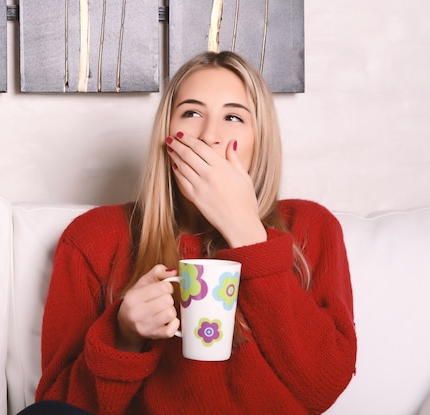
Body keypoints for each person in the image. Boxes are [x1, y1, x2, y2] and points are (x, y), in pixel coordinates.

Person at [30, 51, 357, 414]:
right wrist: (122, 336)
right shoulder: (94, 238)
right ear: (167, 134)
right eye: (192, 113)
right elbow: (56, 405)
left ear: (259, 141)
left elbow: (322, 387)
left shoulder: (310, 227)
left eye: (233, 117)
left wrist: (248, 234)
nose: (210, 136)